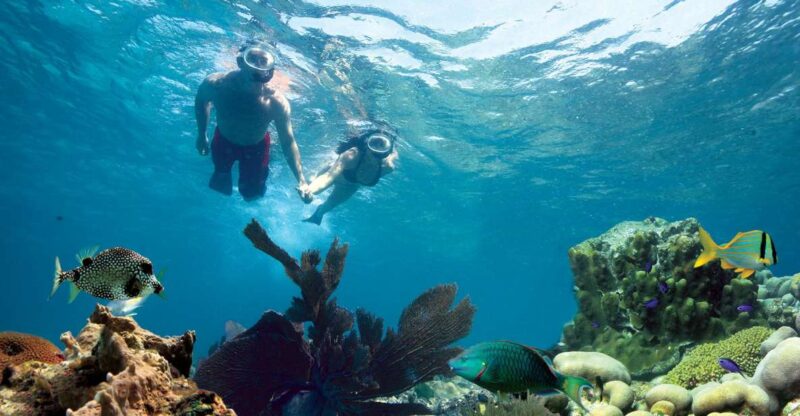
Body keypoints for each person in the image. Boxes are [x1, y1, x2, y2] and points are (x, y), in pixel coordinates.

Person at [195, 42, 306, 200]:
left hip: (256, 149)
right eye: (252, 58)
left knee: (252, 194)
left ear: (269, 68)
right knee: (220, 177)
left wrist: (301, 179)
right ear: (240, 61)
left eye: (263, 61)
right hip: (223, 141)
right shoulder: (216, 84)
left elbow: (288, 141)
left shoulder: (275, 102)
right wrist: (202, 134)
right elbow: (201, 101)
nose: (257, 65)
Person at [297, 127, 398, 224]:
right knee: (311, 181)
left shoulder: (387, 167)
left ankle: (316, 217)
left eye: (381, 146)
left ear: (386, 152)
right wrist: (310, 190)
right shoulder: (351, 155)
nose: (375, 151)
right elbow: (328, 176)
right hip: (334, 170)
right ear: (366, 144)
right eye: (374, 143)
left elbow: (394, 155)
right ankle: (308, 188)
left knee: (327, 207)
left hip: (350, 185)